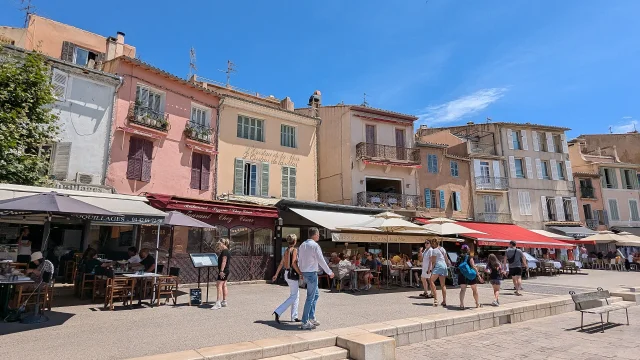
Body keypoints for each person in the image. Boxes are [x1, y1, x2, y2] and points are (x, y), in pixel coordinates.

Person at [298, 227, 334, 330]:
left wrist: (301, 271)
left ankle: (311, 317)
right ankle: (305, 321)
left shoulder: (302, 245)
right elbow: (321, 260)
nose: (319, 236)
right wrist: (329, 272)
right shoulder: (315, 246)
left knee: (316, 295)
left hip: (305, 272)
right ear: (315, 235)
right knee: (310, 297)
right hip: (312, 273)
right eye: (318, 234)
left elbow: (300, 259)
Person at [272, 234, 302, 323]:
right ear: (295, 241)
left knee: (296, 295)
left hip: (286, 273)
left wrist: (276, 274)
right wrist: (300, 273)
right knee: (294, 296)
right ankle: (278, 311)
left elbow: (281, 263)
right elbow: (293, 263)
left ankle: (294, 316)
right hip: (292, 274)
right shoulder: (295, 250)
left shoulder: (286, 251)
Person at [428, 238, 451, 307]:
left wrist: (431, 269)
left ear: (433, 243)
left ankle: (435, 300)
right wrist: (447, 265)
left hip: (438, 265)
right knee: (443, 284)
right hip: (444, 266)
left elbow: (433, 261)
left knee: (431, 281)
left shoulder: (434, 250)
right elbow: (446, 258)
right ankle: (444, 301)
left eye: (432, 243)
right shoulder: (443, 249)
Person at [456, 245, 480, 309]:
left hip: (462, 275)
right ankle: (477, 303)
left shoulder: (459, 257)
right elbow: (473, 266)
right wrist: (478, 275)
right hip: (470, 275)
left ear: (461, 250)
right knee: (474, 290)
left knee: (462, 290)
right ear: (468, 250)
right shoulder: (469, 257)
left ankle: (461, 304)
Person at [211, 238, 231, 310]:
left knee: (218, 285)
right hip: (226, 270)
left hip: (224, 270)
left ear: (223, 244)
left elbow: (224, 261)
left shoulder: (225, 251)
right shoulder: (226, 251)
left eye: (219, 244)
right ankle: (224, 301)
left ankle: (218, 303)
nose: (219, 246)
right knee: (224, 285)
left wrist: (221, 271)